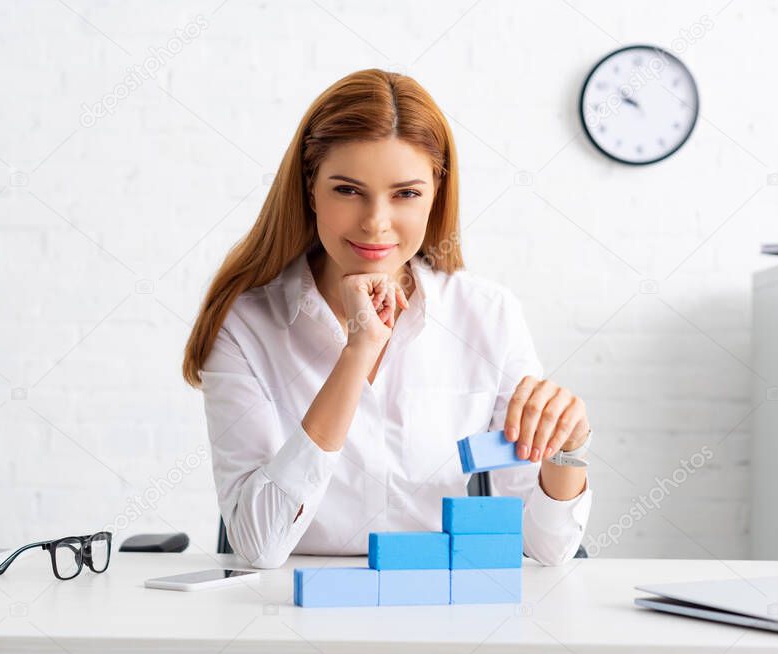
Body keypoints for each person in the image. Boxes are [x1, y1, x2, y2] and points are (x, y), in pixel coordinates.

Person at [182, 68, 592, 569]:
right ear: (311, 188)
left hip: (435, 602)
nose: (376, 222)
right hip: (288, 609)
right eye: (348, 190)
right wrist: (357, 353)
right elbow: (258, 544)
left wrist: (566, 451)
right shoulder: (245, 325)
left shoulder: (487, 315)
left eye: (406, 194)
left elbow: (547, 549)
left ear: (435, 193)